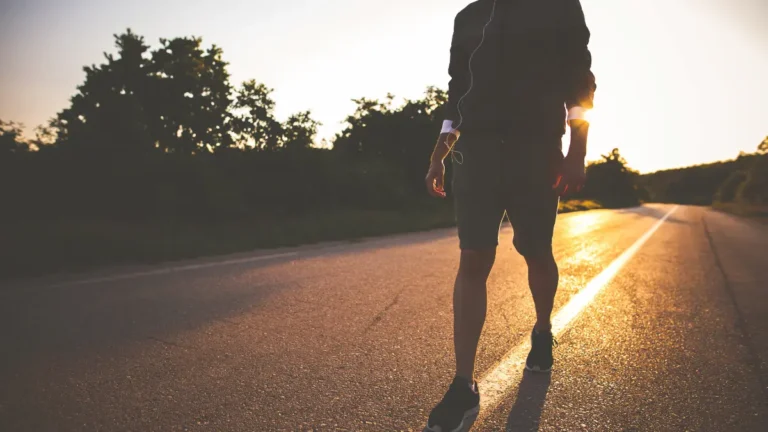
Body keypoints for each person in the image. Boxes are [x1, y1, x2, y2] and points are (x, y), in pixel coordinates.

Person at [423, 0, 596, 430]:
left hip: (536, 152)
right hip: (477, 154)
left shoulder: (559, 8)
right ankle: (463, 385)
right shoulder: (468, 18)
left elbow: (580, 83)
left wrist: (577, 152)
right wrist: (437, 156)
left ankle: (541, 329)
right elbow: (456, 94)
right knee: (473, 258)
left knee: (537, 252)